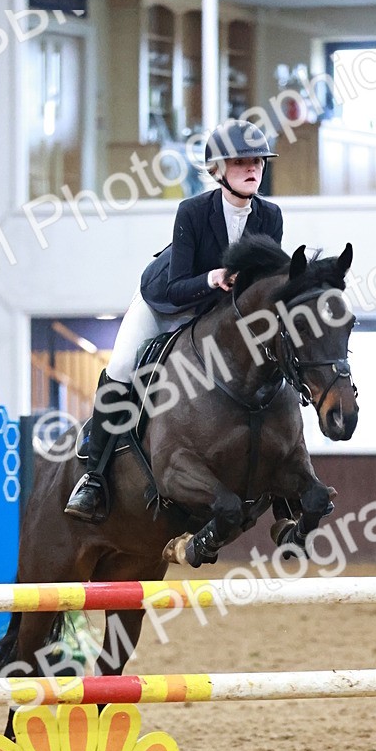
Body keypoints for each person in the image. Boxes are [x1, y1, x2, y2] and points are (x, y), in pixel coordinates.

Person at [64, 119, 283, 522]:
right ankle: (93, 478)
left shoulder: (270, 217)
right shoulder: (194, 212)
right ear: (218, 170)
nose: (252, 168)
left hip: (212, 316)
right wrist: (212, 278)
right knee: (121, 366)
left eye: (258, 161)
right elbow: (180, 284)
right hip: (164, 301)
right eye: (240, 162)